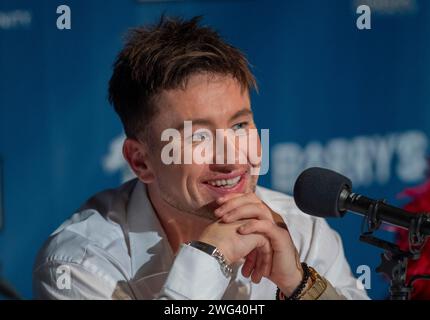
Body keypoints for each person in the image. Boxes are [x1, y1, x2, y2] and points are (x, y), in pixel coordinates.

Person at [33, 16, 368, 300]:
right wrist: (207, 261)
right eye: (199, 136)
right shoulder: (78, 264)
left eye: (239, 125)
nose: (231, 158)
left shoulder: (299, 228)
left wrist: (299, 285)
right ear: (140, 162)